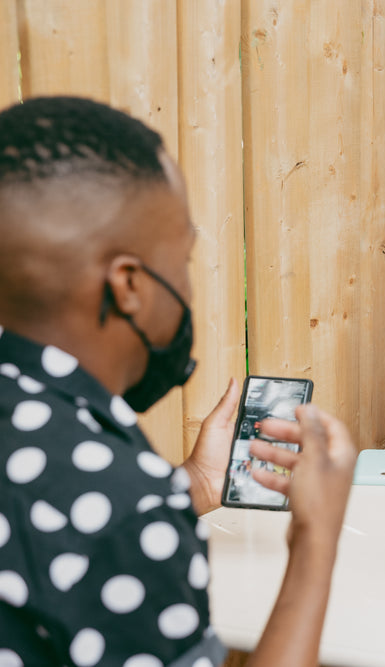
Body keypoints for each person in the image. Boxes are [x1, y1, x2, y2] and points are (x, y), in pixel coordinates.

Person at [0, 96, 357, 666]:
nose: (187, 292)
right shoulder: (124, 504)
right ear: (130, 286)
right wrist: (316, 539)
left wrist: (198, 481)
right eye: (183, 262)